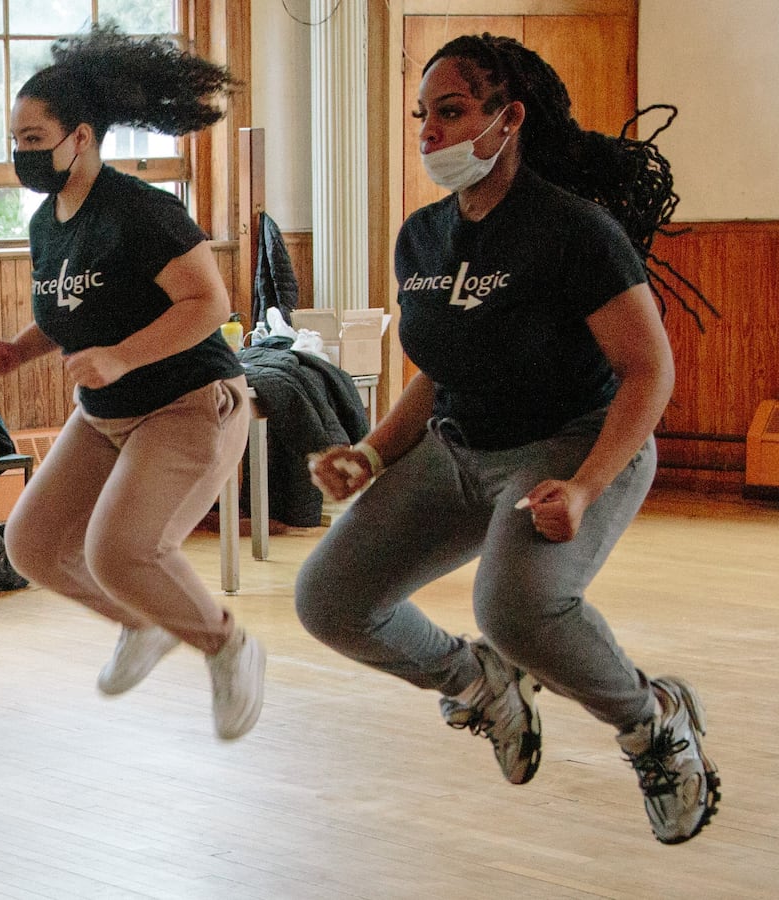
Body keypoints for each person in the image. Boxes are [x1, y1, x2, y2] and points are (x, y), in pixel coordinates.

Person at [294, 33, 720, 844]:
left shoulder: (574, 232)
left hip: (575, 442)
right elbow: (443, 366)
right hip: (460, 448)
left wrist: (586, 485)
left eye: (451, 113)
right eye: (424, 115)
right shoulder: (421, 237)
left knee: (516, 606)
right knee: (330, 600)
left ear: (508, 118)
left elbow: (648, 373)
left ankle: (653, 721)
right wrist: (374, 452)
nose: (429, 134)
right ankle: (479, 683)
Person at [0, 25, 265, 741]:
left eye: (34, 136)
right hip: (107, 411)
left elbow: (210, 304)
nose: (22, 151)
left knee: (119, 549)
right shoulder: (49, 223)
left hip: (190, 402)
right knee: (33, 543)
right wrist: (23, 348)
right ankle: (146, 624)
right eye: (15, 137)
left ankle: (226, 643)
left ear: (80, 136)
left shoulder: (141, 210)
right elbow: (78, 309)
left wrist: (124, 357)